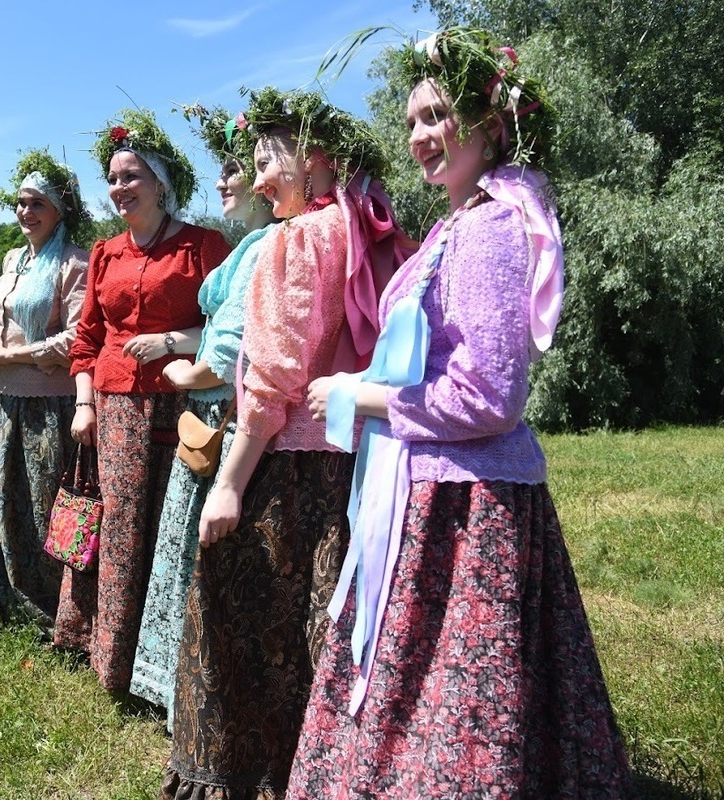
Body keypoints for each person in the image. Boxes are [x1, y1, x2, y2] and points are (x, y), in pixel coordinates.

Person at [285, 28, 634, 797]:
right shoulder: (459, 222)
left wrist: (361, 396)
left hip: (466, 507)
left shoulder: (490, 228)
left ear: (493, 125)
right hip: (437, 492)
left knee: (453, 704)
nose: (420, 136)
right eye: (413, 121)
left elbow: (488, 394)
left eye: (438, 115)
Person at [163, 87, 414, 798]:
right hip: (353, 465)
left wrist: (230, 484)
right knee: (327, 633)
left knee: (248, 633)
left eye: (270, 160)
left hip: (289, 469)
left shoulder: (299, 238)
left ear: (316, 160)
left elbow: (272, 382)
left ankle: (253, 778)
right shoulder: (364, 233)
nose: (261, 176)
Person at [55, 108, 232, 691]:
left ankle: (167, 667)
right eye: (113, 178)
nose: (119, 188)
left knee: (172, 528)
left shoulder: (202, 245)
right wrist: (84, 404)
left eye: (131, 176)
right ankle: (110, 657)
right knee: (123, 525)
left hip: (184, 404)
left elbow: (229, 325)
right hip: (116, 409)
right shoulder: (105, 252)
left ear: (161, 183)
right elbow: (87, 339)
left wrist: (173, 340)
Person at [129, 105, 275, 724]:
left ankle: (196, 693)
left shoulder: (265, 243)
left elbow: (234, 341)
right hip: (212, 406)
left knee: (203, 553)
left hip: (222, 411)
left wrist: (191, 371)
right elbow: (218, 327)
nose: (225, 180)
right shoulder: (254, 242)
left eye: (237, 168)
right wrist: (178, 346)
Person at [0, 149, 90, 628]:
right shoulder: (12, 258)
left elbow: (79, 336)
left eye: (37, 203)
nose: (26, 212)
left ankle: (56, 613)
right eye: (21, 203)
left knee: (44, 508)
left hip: (46, 404)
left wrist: (12, 355)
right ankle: (13, 605)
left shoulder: (75, 262)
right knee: (3, 502)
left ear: (60, 209)